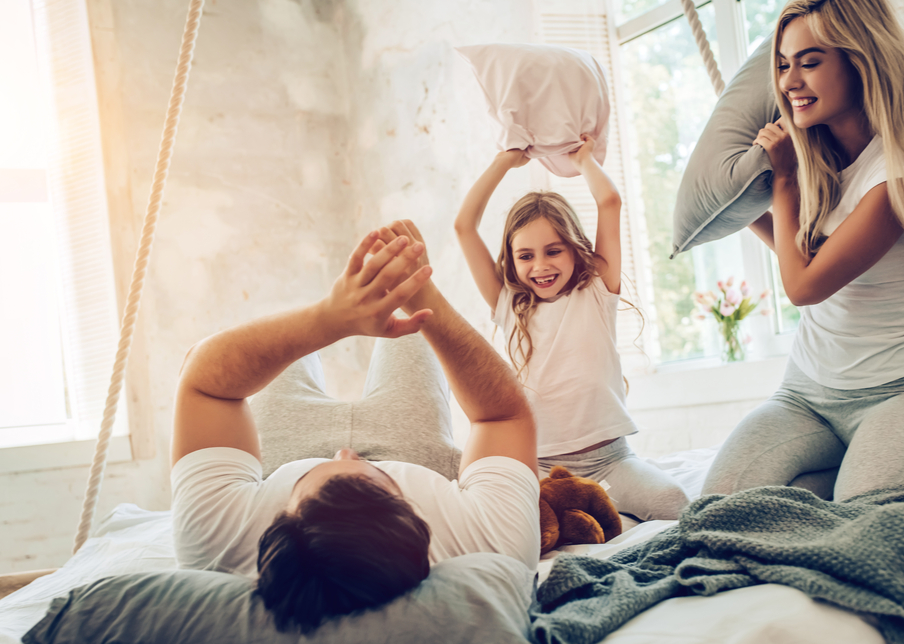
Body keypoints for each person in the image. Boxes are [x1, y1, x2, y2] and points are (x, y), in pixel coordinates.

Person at [170, 220, 539, 634]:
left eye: (317, 475)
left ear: (277, 522)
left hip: (283, 449)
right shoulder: (493, 542)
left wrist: (328, 320)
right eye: (371, 471)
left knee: (280, 349)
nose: (345, 454)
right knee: (418, 328)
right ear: (417, 520)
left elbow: (204, 383)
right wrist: (423, 293)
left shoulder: (216, 540)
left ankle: (333, 312)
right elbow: (502, 415)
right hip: (411, 447)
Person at [703, 0, 904, 502]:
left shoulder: (901, 177)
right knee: (718, 502)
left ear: (860, 61)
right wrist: (733, 204)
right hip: (805, 394)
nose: (789, 82)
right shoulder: (823, 159)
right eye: (783, 65)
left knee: (856, 515)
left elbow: (805, 286)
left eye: (809, 62)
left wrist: (782, 181)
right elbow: (805, 253)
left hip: (897, 395)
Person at [454, 134, 689, 522]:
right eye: (525, 256)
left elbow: (609, 201)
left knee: (673, 502)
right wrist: (504, 162)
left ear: (573, 247)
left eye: (553, 251)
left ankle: (601, 512)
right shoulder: (509, 304)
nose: (540, 266)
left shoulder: (597, 289)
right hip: (542, 468)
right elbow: (464, 226)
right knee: (505, 523)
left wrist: (583, 159)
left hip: (611, 465)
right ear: (512, 262)